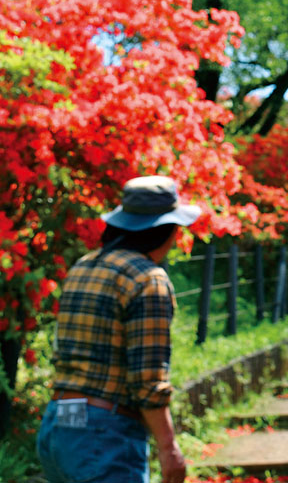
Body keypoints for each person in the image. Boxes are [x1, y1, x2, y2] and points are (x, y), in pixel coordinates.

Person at [37, 176, 201, 483]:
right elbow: (147, 381)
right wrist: (169, 449)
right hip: (104, 435)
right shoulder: (147, 279)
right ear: (165, 230)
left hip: (57, 426)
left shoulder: (83, 267)